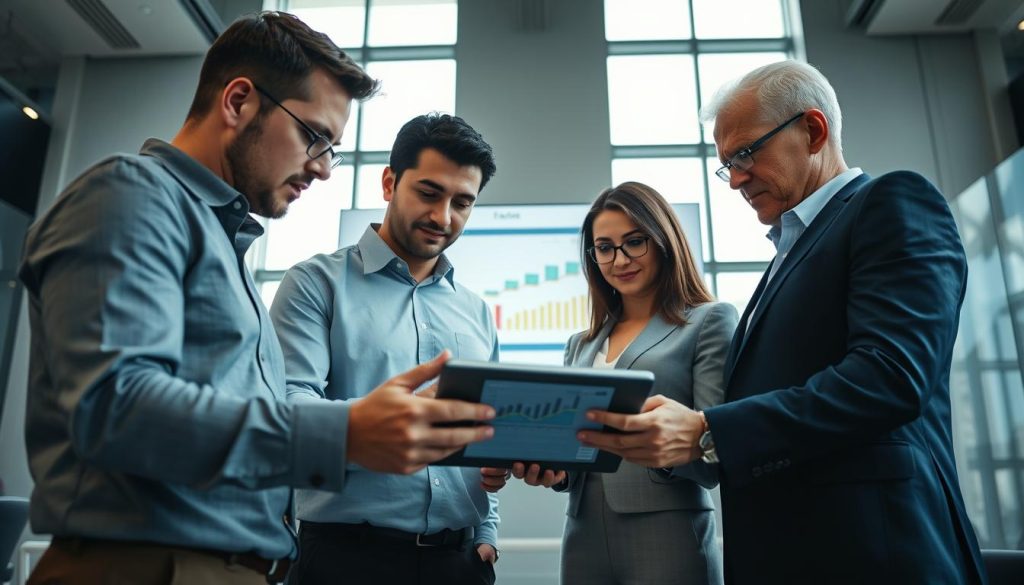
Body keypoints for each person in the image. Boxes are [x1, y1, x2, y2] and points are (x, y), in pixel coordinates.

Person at [18, 13, 495, 585]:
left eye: (332, 149)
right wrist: (348, 432)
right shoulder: (131, 196)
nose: (321, 168)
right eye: (313, 136)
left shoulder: (225, 246)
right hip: (153, 565)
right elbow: (114, 407)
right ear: (239, 101)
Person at [575, 60, 988, 584]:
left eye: (746, 153)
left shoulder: (891, 202)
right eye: (727, 164)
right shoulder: (786, 257)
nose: (736, 180)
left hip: (875, 552)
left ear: (813, 131)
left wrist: (709, 430)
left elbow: (891, 375)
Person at [269, 113, 500, 585]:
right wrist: (383, 422)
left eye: (463, 202)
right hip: (345, 559)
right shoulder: (316, 284)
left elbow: (481, 434)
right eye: (430, 193)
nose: (443, 217)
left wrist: (488, 531)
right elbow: (287, 411)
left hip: (459, 561)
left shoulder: (476, 312)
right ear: (390, 182)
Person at [487, 182, 737, 585]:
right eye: (604, 247)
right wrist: (551, 469)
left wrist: (659, 443)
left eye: (633, 242)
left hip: (666, 528)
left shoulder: (708, 321)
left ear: (663, 241)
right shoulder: (581, 344)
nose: (619, 259)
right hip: (583, 531)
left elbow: (714, 455)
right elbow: (574, 450)